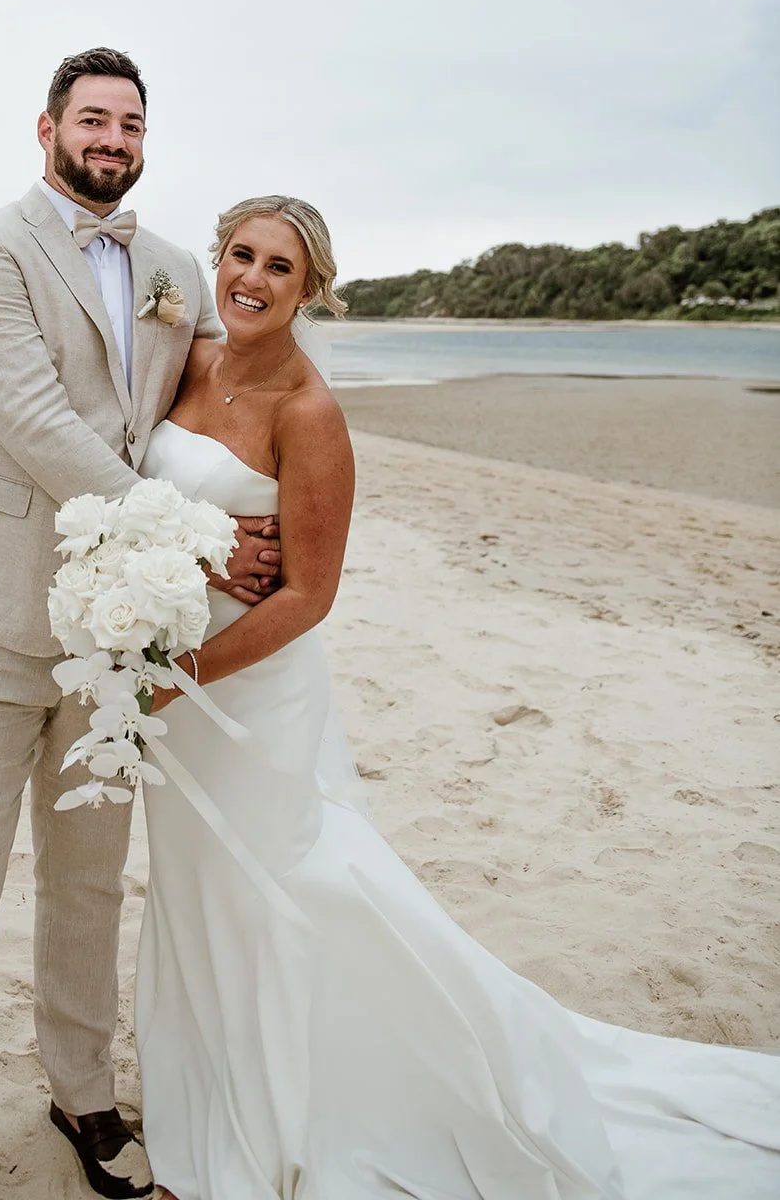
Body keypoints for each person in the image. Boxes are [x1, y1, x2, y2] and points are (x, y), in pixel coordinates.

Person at [133, 194, 780, 1200]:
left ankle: (267, 1134)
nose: (250, 281)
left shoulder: (310, 411)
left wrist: (181, 677)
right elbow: (152, 495)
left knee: (282, 894)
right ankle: (204, 1107)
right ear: (217, 259)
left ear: (311, 291)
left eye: (278, 269)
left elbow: (309, 594)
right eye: (240, 256)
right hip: (167, 680)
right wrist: (185, 569)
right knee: (191, 897)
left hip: (244, 694)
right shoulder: (189, 362)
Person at [0, 50, 281, 1200]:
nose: (111, 136)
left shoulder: (170, 269)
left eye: (130, 121)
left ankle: (82, 1094)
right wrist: (188, 538)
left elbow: (215, 401)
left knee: (91, 881)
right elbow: (34, 422)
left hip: (116, 634)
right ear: (46, 127)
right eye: (92, 118)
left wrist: (262, 504)